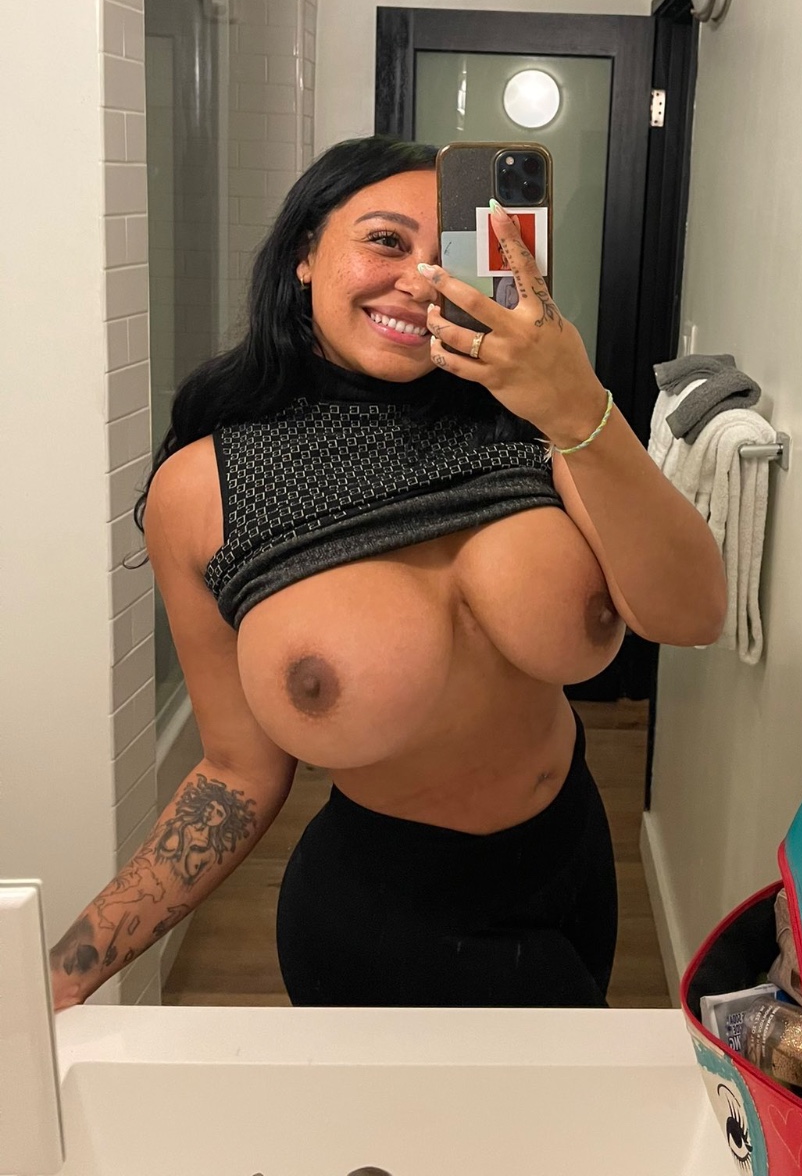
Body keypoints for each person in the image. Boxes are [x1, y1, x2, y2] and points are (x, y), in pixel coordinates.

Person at [50, 138, 725, 1010]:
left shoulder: (532, 425)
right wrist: (64, 972)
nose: (421, 280)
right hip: (385, 923)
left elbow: (691, 614)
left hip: (574, 860)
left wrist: (576, 402)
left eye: (449, 255)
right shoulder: (210, 487)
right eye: (385, 241)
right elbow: (235, 772)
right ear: (305, 253)